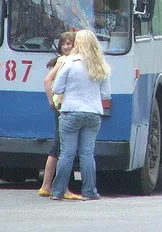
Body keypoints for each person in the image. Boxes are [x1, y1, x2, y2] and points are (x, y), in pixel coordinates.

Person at [50, 29, 112, 201]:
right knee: (87, 153)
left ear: (77, 44)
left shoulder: (69, 63)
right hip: (92, 114)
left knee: (67, 153)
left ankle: (58, 191)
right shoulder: (100, 65)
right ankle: (89, 191)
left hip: (70, 112)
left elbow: (56, 89)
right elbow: (106, 94)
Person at [38, 31, 81, 200]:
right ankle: (62, 188)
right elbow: (47, 81)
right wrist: (51, 101)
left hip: (60, 105)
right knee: (64, 148)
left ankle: (46, 185)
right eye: (63, 44)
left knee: (58, 146)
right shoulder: (65, 61)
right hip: (62, 106)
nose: (66, 47)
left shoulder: (61, 60)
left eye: (69, 44)